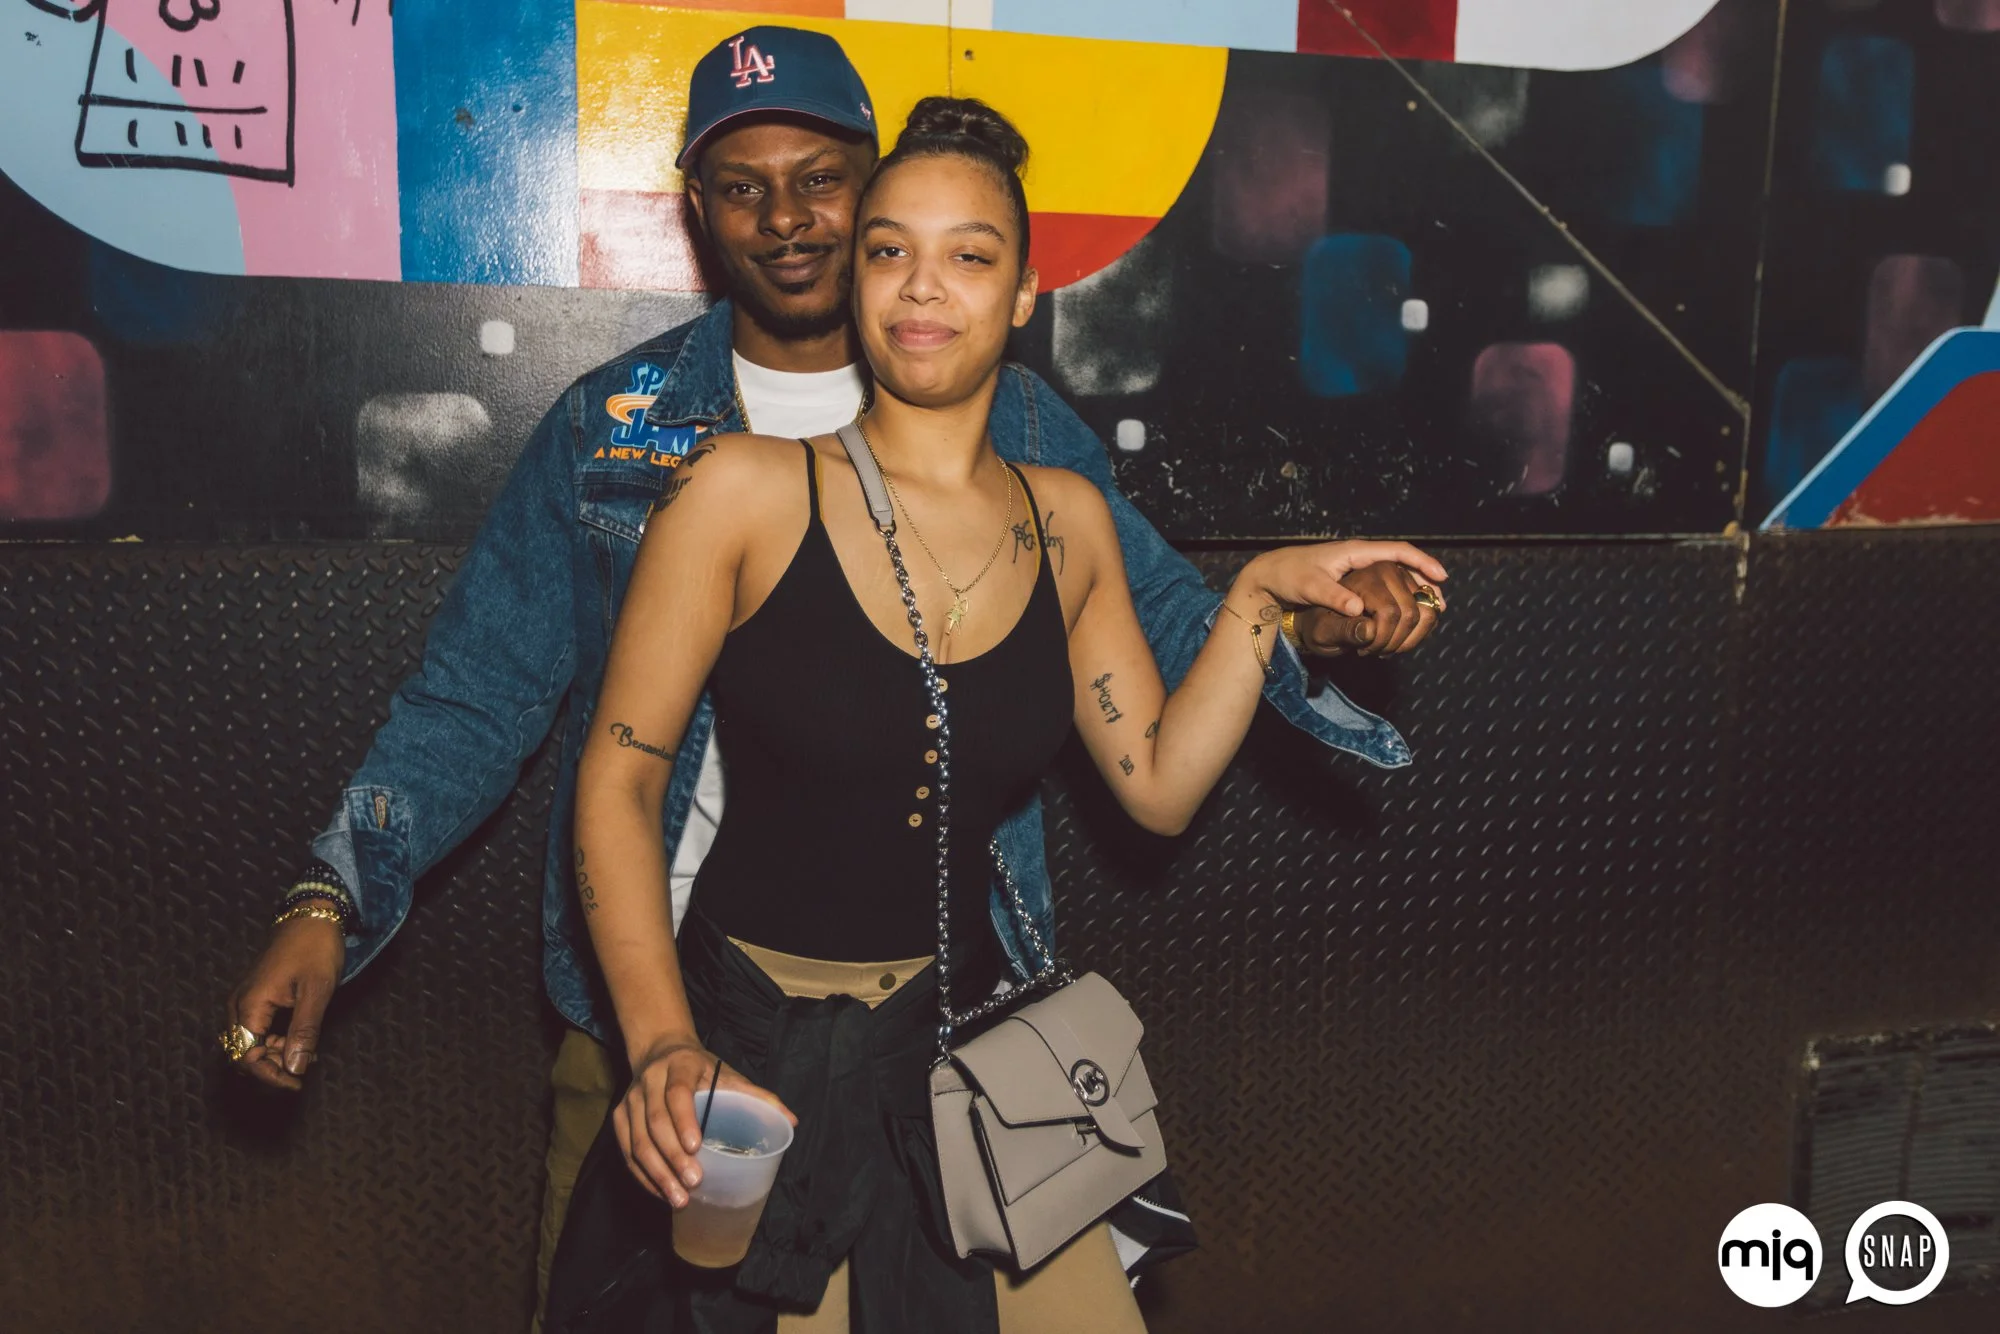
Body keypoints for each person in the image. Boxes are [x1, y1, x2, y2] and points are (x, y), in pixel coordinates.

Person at [217, 26, 1447, 1330]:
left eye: (820, 180)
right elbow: (476, 701)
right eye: (743, 186)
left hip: (955, 1018)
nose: (788, 217)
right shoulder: (625, 436)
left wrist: (1303, 614)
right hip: (661, 1013)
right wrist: (334, 897)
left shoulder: (1037, 451)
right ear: (699, 210)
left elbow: (1165, 648)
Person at [540, 94, 1446, 1334]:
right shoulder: (740, 489)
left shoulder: (1066, 517)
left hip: (961, 1052)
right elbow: (620, 778)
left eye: (968, 256)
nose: (923, 285)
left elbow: (1156, 785)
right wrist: (656, 1044)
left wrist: (1254, 603)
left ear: (1022, 295)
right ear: (856, 280)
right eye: (889, 249)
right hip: (749, 1052)